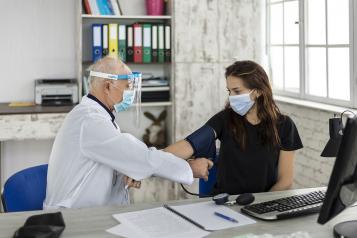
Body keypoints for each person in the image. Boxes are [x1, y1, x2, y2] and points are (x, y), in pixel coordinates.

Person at [44, 56, 212, 209]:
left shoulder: (99, 117)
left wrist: (126, 170)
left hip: (92, 211)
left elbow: (103, 163)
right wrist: (188, 168)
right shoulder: (90, 121)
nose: (130, 92)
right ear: (108, 86)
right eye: (127, 86)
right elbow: (142, 157)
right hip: (73, 219)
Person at [165, 60, 303, 195]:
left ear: (258, 91)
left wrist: (261, 204)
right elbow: (190, 144)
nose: (231, 97)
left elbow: (285, 180)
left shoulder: (284, 125)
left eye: (237, 91)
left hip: (263, 204)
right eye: (229, 91)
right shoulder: (224, 119)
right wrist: (152, 159)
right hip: (226, 204)